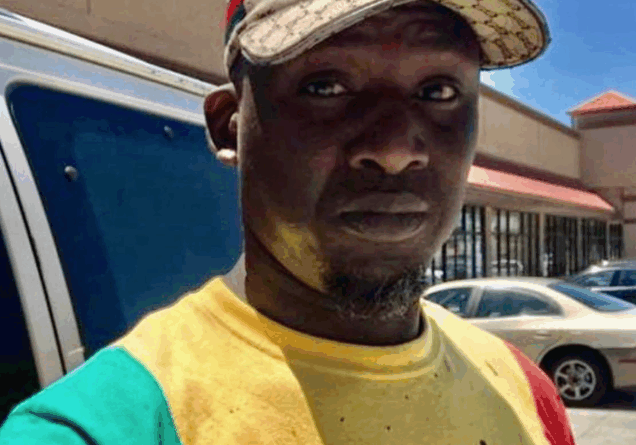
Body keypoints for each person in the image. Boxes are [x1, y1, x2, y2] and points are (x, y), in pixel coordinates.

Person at [0, 0, 577, 444]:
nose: (395, 148)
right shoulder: (106, 425)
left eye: (439, 90)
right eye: (326, 87)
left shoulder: (526, 394)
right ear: (228, 126)